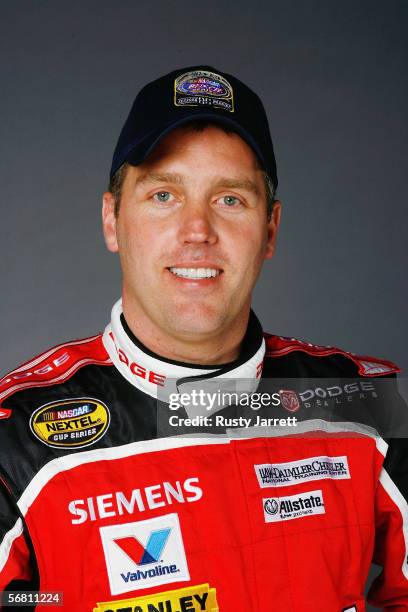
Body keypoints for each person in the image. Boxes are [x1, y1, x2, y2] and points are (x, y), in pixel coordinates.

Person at [0, 66, 406, 612]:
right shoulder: (17, 437)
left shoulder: (363, 405)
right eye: (164, 194)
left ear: (270, 231)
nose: (198, 231)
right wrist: (57, 601)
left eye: (230, 199)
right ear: (112, 220)